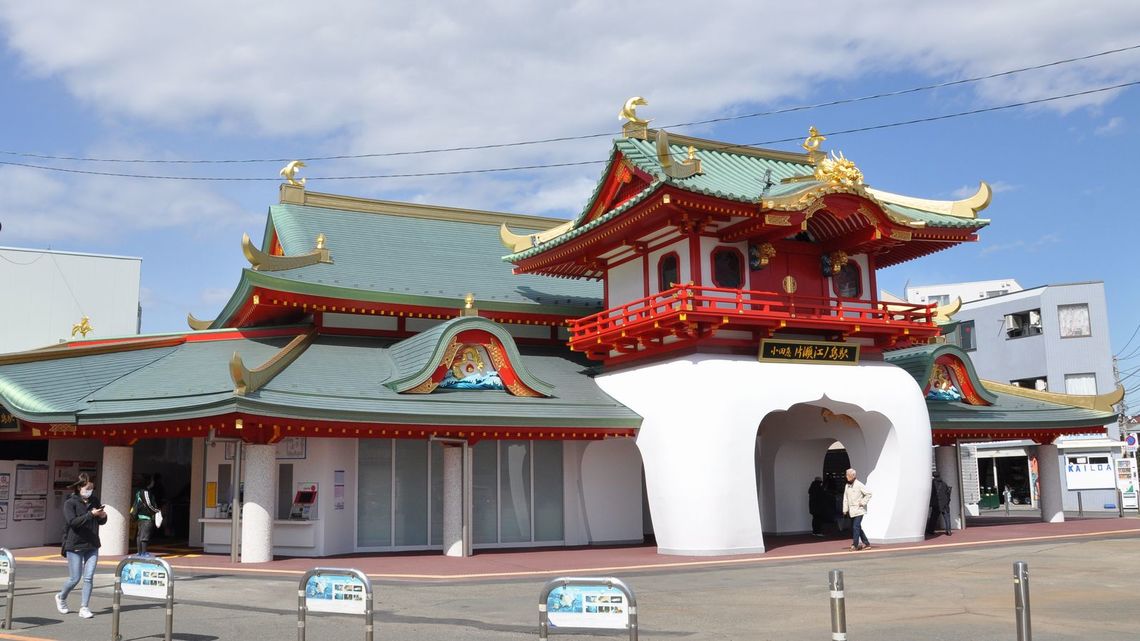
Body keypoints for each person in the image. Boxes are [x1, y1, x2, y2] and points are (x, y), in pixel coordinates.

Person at [55, 473, 106, 619]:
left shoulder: (94, 500)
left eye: (92, 488)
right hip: (75, 544)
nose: (90, 491)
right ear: (79, 487)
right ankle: (61, 596)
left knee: (89, 577)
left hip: (92, 544)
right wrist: (91, 514)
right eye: (87, 488)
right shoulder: (70, 503)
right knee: (74, 578)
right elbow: (73, 522)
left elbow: (100, 521)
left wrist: (103, 516)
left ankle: (84, 607)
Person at [842, 468, 872, 551]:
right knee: (857, 527)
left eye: (848, 475)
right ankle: (867, 543)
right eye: (846, 474)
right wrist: (845, 510)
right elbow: (845, 498)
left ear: (853, 476)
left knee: (855, 527)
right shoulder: (847, 486)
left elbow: (868, 494)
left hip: (859, 510)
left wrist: (863, 502)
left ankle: (855, 545)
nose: (846, 476)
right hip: (851, 511)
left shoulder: (859, 484)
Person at [131, 475, 160, 556]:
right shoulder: (145, 492)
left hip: (140, 517)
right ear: (149, 482)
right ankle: (144, 552)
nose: (153, 483)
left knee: (140, 535)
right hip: (146, 517)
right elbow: (149, 504)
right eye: (152, 481)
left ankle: (139, 552)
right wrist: (156, 511)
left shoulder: (139, 491)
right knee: (145, 536)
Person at [931, 471, 953, 536]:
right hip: (945, 503)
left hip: (937, 503)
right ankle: (948, 531)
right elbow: (947, 493)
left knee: (934, 517)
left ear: (933, 476)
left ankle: (931, 530)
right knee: (947, 517)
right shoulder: (944, 483)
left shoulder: (932, 483)